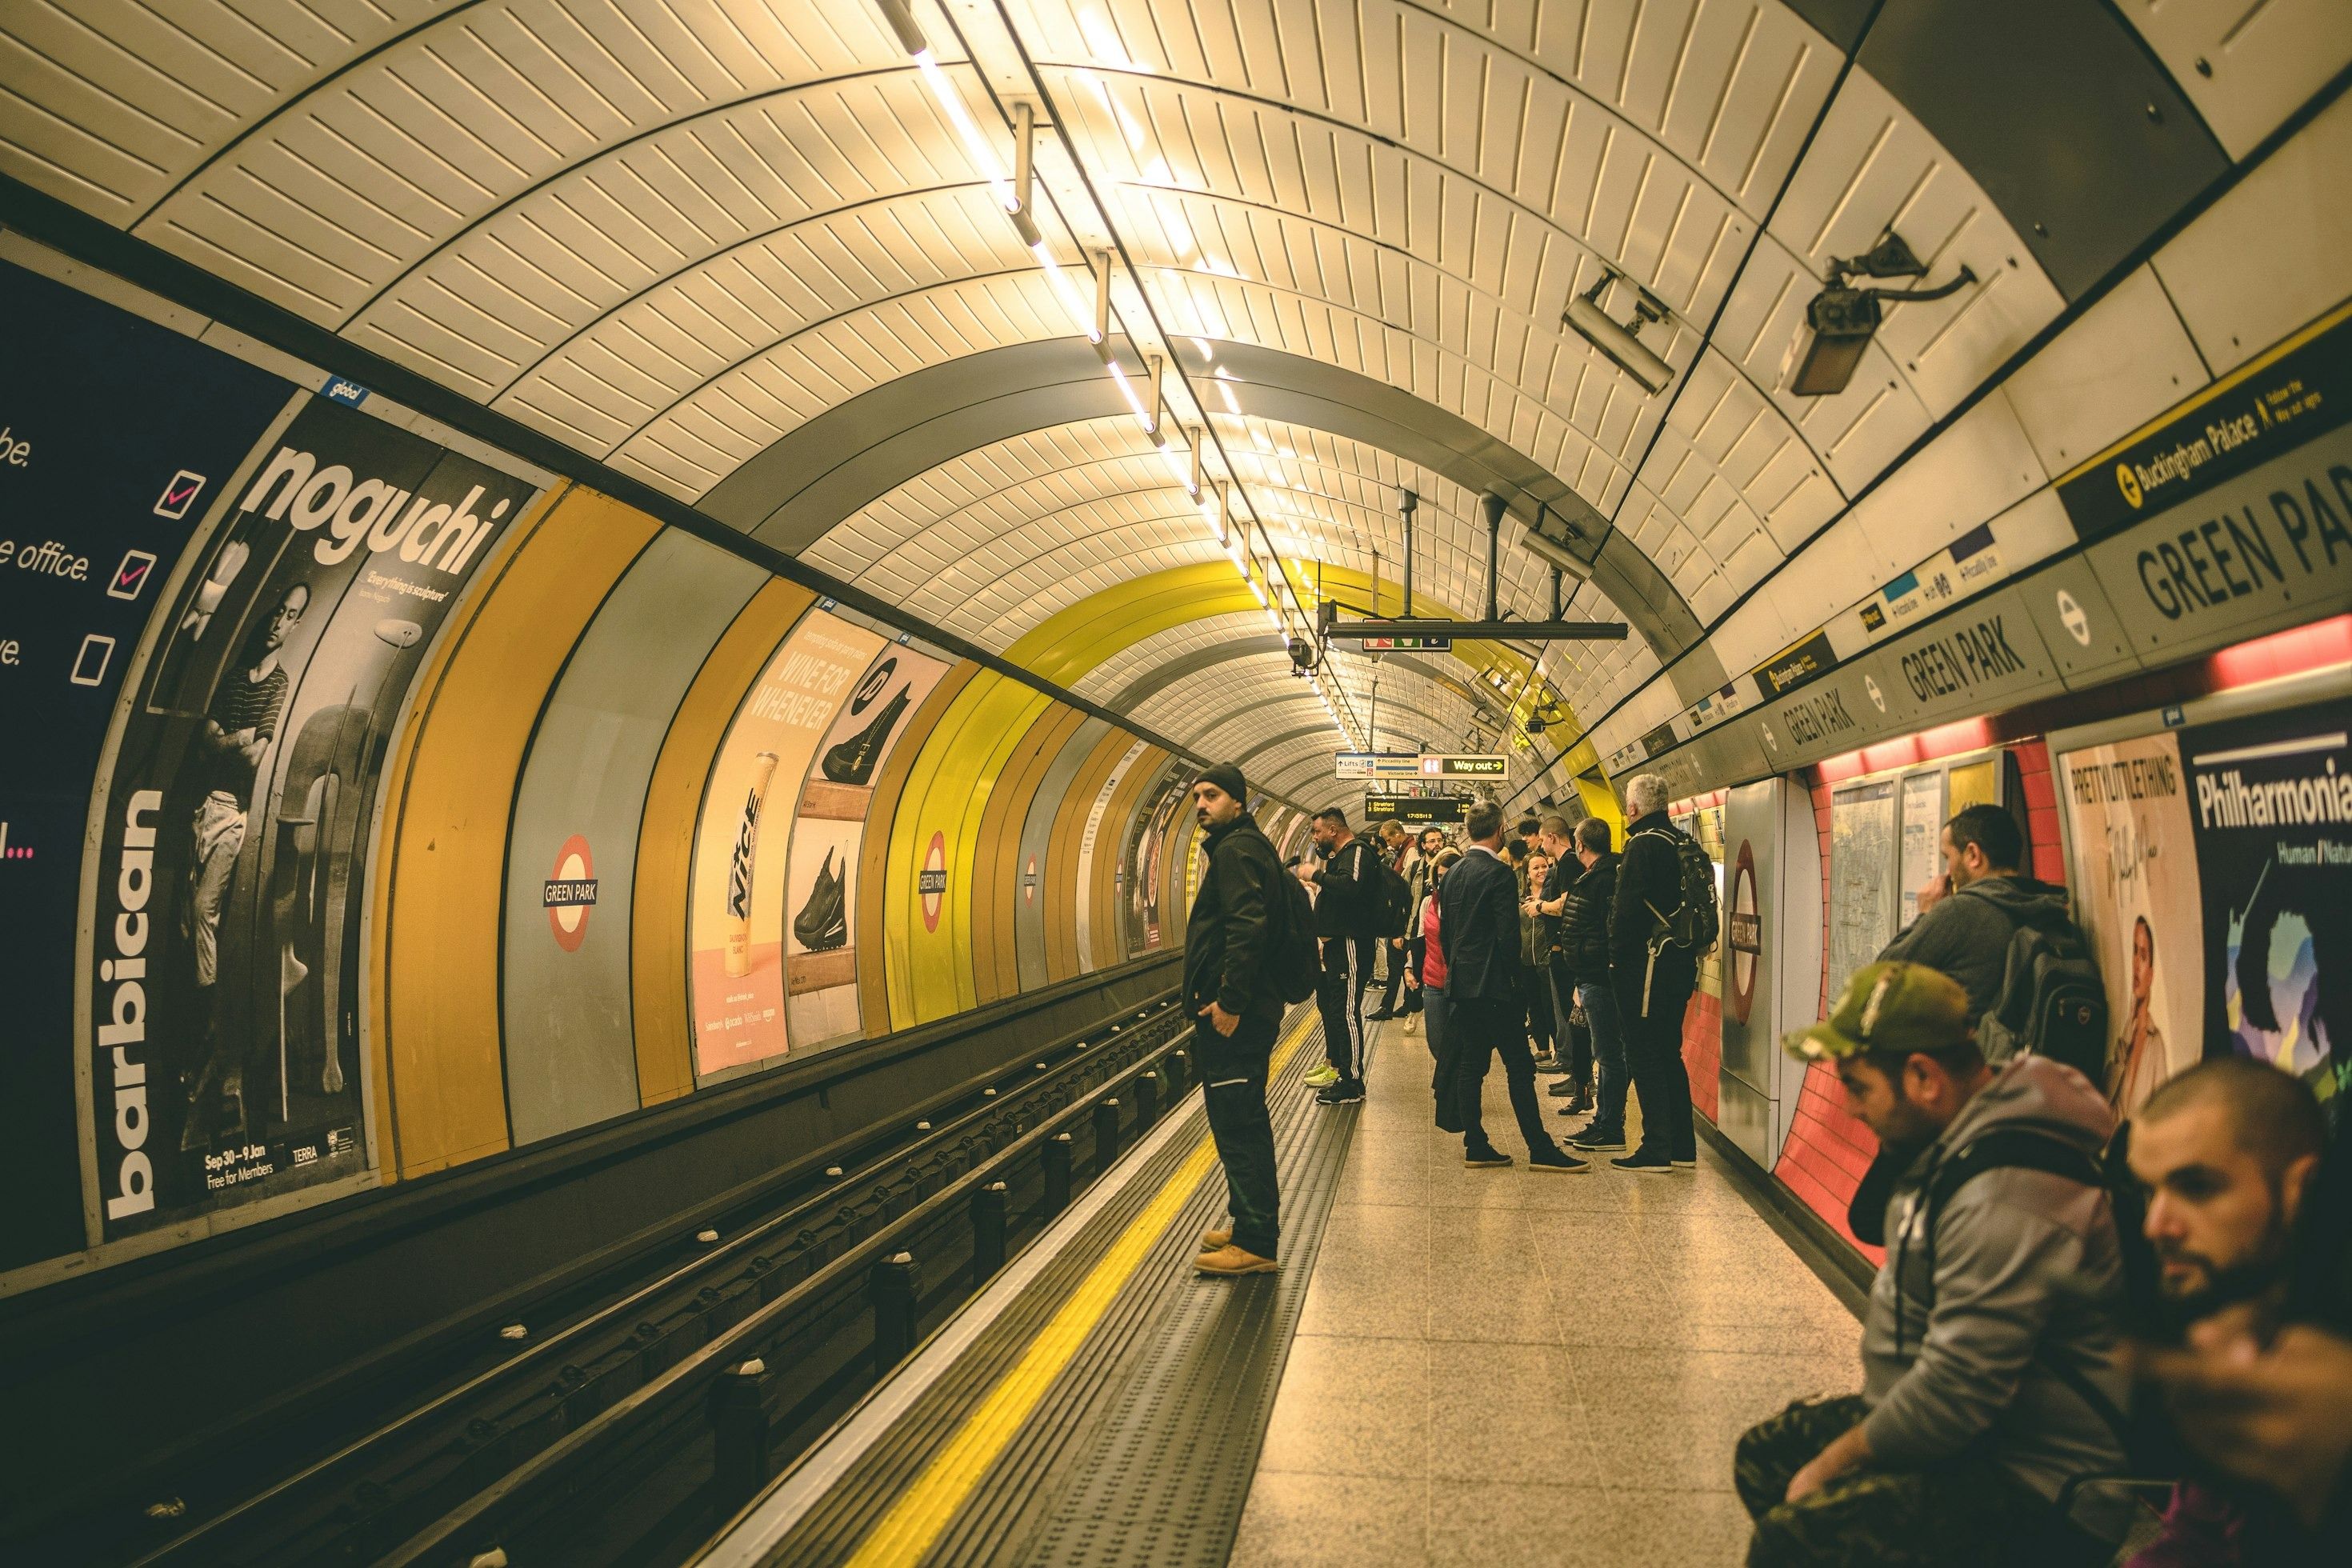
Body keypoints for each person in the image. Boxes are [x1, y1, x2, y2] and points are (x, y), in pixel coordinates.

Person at [1735, 961, 2128, 1566]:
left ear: (1923, 1076)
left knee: (1793, 1543)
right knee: (1767, 1458)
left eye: (1859, 1086)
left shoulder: (2008, 1193)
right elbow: (1873, 1219)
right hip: (1968, 1436)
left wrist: (1829, 1466)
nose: (1852, 1109)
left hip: (2034, 1482)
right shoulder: (1954, 1135)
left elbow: (1957, 1395)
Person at [2122, 1058, 2329, 1565]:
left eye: (2196, 1187)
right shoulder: (2243, 1325)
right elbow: (2195, 1539)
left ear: (2300, 1188)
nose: (2156, 1224)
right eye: (2150, 1191)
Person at [181, 579, 310, 1150]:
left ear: (297, 625)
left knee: (206, 909)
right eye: (277, 612)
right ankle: (211, 1023)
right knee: (192, 920)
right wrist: (229, 740)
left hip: (235, 813)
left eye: (290, 616)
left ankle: (211, 1021)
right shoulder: (237, 679)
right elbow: (205, 740)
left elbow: (253, 752)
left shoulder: (277, 685)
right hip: (204, 808)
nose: (278, 623)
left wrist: (225, 740)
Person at [1436, 801, 1583, 1172]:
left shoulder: (1452, 873)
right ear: (1501, 829)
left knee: (1472, 1065)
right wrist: (1516, 984)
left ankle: (1476, 1144)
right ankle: (1540, 1148)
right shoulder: (1499, 874)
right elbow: (1506, 937)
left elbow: (1447, 932)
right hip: (1496, 988)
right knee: (1520, 1067)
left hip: (1463, 983)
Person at [1182, 765, 1288, 1278]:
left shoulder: (1235, 851)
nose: (1202, 803)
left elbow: (1248, 927)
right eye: (1197, 795)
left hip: (1239, 1016)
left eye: (1213, 795)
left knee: (1238, 1123)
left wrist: (1230, 1003)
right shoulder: (1245, 845)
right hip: (1250, 1009)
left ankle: (1255, 1240)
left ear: (1238, 802)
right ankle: (1249, 1221)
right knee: (1241, 1118)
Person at [1879, 803, 2073, 1026]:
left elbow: (1880, 980)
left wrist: (1925, 913)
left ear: (1973, 854)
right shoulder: (2047, 907)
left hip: (1967, 1055)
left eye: (1948, 858)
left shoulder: (1959, 911)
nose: (1948, 872)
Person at [1609, 773, 1698, 1172]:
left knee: (1643, 1052)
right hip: (1680, 962)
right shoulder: (1684, 842)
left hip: (1647, 967)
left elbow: (1625, 911)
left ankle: (1656, 1147)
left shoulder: (1642, 845)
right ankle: (1682, 1147)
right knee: (1669, 1052)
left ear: (1633, 809)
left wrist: (1614, 959)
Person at [1560, 817, 1628, 1152]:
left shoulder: (1600, 880)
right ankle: (1605, 1120)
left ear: (1581, 844)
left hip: (1600, 980)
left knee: (1608, 1054)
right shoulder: (1609, 875)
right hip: (1593, 978)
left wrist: (1589, 975)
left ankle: (1610, 1126)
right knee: (1609, 1053)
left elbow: (1602, 932)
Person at [1299, 807, 1375, 1106]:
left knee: (1346, 1011)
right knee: (1337, 1009)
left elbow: (1352, 887)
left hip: (1351, 945)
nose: (1315, 838)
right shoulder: (1339, 859)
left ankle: (1353, 1080)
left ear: (1333, 830)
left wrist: (1315, 874)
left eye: (1317, 832)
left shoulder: (1356, 851)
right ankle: (1344, 1073)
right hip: (1337, 946)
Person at [1529, 814, 1589, 1107]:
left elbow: (1566, 903)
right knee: (1568, 1018)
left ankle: (1582, 1082)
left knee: (1573, 1020)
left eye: (1542, 839)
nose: (1541, 845)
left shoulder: (1567, 865)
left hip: (1566, 953)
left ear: (1552, 837)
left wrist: (1540, 906)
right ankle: (1577, 1078)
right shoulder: (1565, 864)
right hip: (1561, 951)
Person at [2108, 916, 2167, 1114]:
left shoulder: (2156, 1044)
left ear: (2150, 974)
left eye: (2142, 956)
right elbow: (2106, 1101)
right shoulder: (2126, 1034)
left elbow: (2160, 1117)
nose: (2135, 965)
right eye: (2134, 951)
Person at [1405, 846, 1458, 1044]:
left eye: (1449, 875)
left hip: (1462, 983)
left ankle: (1455, 1076)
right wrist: (1409, 967)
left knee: (1458, 1043)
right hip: (1433, 980)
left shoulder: (1470, 903)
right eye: (1440, 876)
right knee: (1436, 1041)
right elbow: (1420, 940)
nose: (1444, 881)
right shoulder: (1429, 903)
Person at [1369, 820, 1415, 1019]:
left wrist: (1400, 930)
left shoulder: (1410, 852)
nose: (1389, 844)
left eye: (1389, 839)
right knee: (1400, 965)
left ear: (1398, 834)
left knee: (1397, 964)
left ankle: (1394, 1006)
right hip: (1400, 921)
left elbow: (1406, 892)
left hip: (1401, 922)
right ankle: (1403, 1005)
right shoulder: (1404, 851)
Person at [1518, 849, 1558, 1068]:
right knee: (1534, 1006)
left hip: (1547, 960)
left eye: (1544, 866)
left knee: (1550, 1005)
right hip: (1527, 961)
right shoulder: (1520, 899)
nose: (1542, 870)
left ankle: (1559, 1050)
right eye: (1536, 867)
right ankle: (1543, 1048)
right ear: (1527, 874)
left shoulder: (1553, 897)